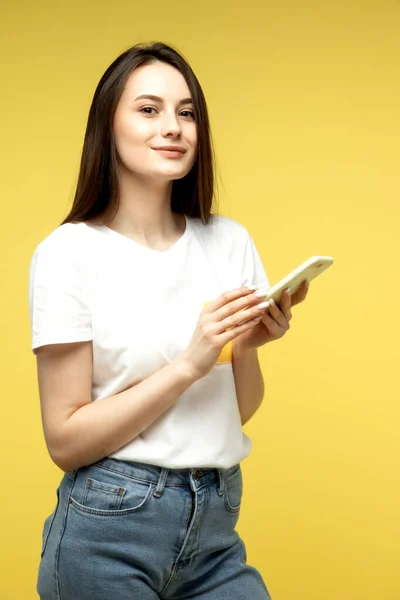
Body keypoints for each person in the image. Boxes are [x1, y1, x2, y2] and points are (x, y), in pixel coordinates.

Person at [28, 41, 309, 600]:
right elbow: (64, 439)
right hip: (108, 531)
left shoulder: (227, 241)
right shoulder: (67, 254)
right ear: (108, 126)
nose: (174, 127)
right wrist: (190, 362)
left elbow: (236, 409)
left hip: (215, 527)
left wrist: (246, 347)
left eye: (186, 113)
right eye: (149, 109)